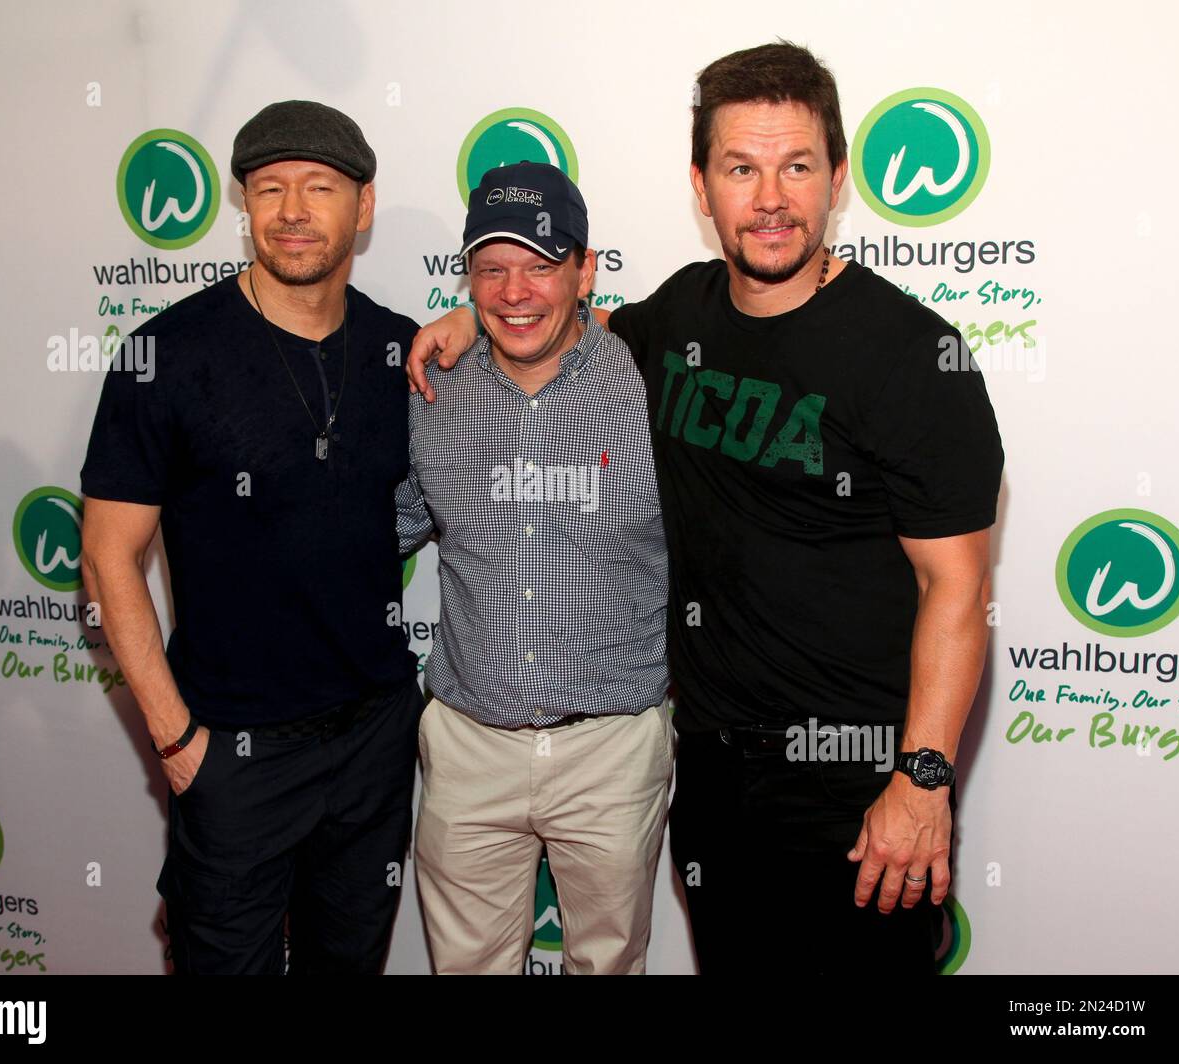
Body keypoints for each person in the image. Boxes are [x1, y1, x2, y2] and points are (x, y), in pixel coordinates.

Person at [407, 43, 1004, 974]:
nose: (770, 198)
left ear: (837, 179)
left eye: (797, 166)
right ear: (702, 186)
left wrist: (922, 781)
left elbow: (958, 589)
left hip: (858, 782)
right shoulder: (679, 316)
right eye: (741, 169)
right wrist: (463, 320)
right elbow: (564, 318)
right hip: (714, 775)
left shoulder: (913, 357)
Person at [80, 100, 424, 974]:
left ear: (366, 205)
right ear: (244, 206)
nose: (294, 211)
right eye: (269, 189)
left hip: (374, 744)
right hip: (231, 753)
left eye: (320, 187)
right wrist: (174, 741)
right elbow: (107, 555)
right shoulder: (164, 355)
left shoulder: (402, 352)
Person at [396, 162, 672, 974]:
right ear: (468, 278)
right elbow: (381, 527)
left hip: (613, 746)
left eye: (542, 265)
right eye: (492, 268)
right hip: (467, 746)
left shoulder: (651, 380)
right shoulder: (428, 387)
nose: (516, 292)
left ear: (586, 271)